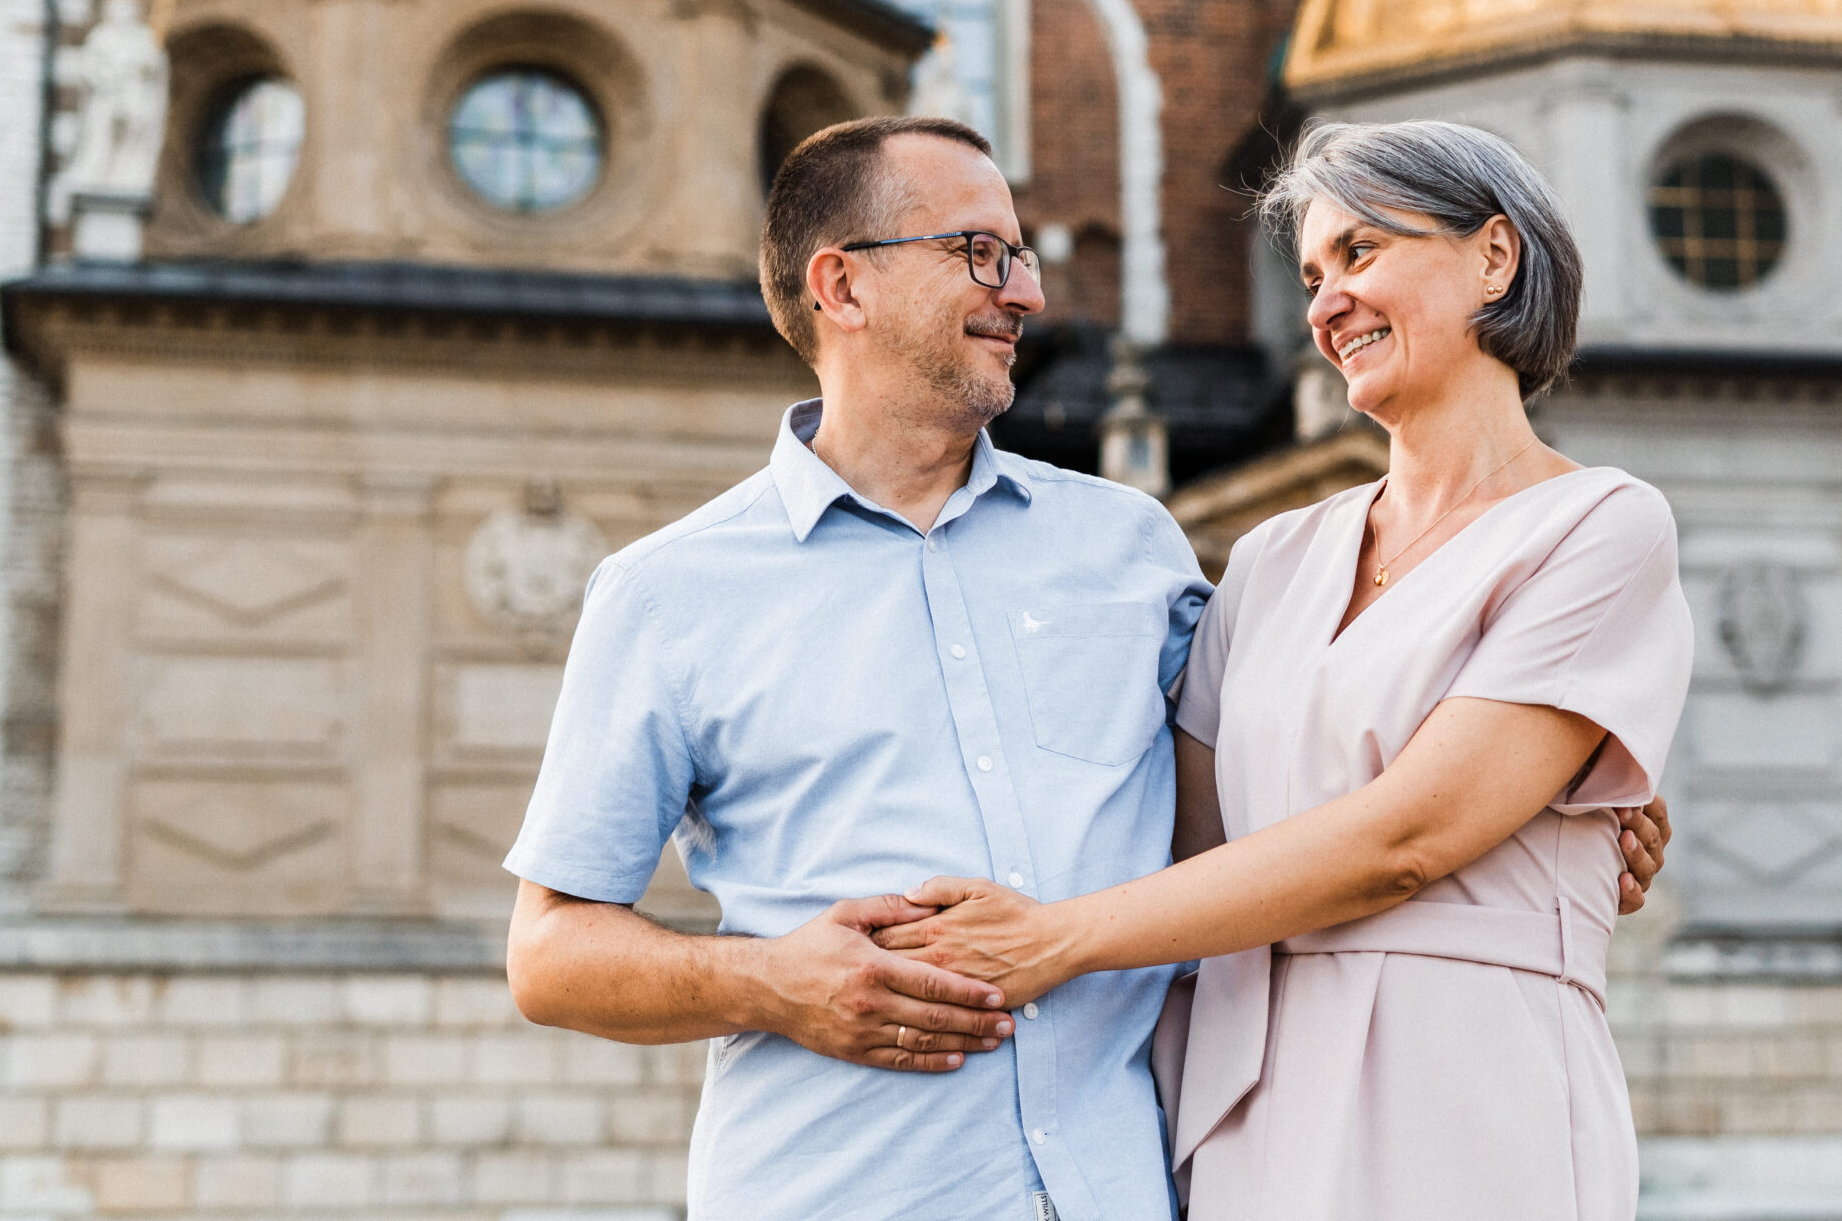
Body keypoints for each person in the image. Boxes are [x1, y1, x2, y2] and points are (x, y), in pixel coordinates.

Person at [503, 115, 1672, 1221]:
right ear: (840, 284)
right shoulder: (666, 594)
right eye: (977, 252)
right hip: (845, 1187)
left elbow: (1297, 801)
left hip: (1143, 1179)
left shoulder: (1129, 548)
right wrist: (770, 982)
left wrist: (1558, 806)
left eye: (1018, 253)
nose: (1026, 290)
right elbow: (549, 954)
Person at [877, 119, 1694, 1221]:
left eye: (1360, 254)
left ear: (1494, 259)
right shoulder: (1267, 562)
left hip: (1468, 1084)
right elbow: (1178, 835)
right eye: (1312, 275)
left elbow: (1406, 841)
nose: (1323, 305)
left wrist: (1051, 941)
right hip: (1246, 1079)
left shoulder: (1599, 526)